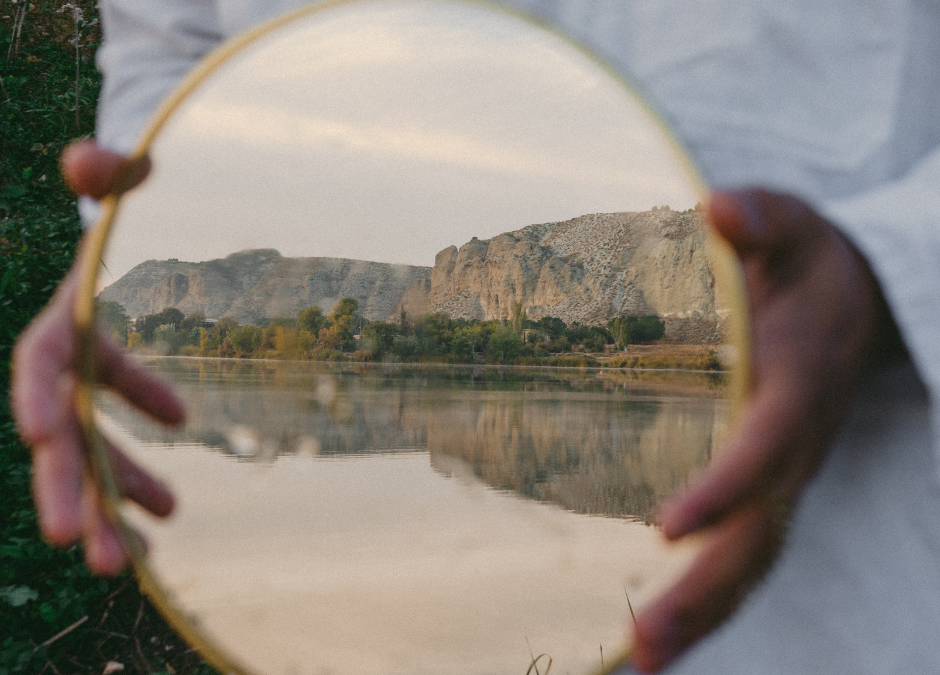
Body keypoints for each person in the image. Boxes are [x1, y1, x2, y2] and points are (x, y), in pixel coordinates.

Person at [11, 1, 940, 673]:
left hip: (850, 588)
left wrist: (889, 269)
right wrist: (125, 245)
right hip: (338, 632)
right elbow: (168, 40)